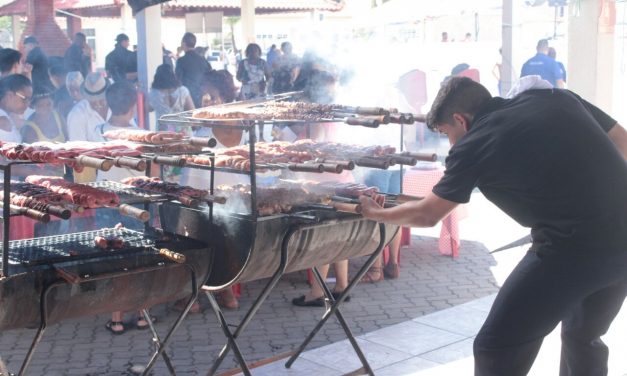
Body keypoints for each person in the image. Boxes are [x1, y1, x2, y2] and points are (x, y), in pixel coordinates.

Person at [359, 76, 627, 375]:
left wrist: (376, 214)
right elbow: (623, 140)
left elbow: (427, 215)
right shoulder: (557, 97)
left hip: (570, 246)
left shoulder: (475, 142)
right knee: (582, 335)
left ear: (460, 119)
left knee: (495, 347)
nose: (450, 142)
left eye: (447, 133)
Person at [181, 69, 242, 311]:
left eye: (210, 94)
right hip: (234, 202)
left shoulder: (206, 134)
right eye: (204, 94)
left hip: (213, 197)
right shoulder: (241, 120)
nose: (205, 98)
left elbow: (190, 182)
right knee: (218, 237)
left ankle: (191, 297)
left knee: (191, 234)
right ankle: (228, 295)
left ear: (222, 96)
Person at [67, 72, 110, 182]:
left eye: (101, 99)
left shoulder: (115, 107)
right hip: (89, 174)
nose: (98, 104)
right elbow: (77, 150)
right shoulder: (77, 115)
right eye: (93, 101)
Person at [236, 43, 270, 141]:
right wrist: (243, 80)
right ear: (247, 52)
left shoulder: (263, 63)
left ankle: (261, 136)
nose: (253, 53)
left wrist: (265, 83)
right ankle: (252, 135)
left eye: (255, 51)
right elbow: (238, 76)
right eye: (251, 51)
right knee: (250, 114)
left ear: (259, 52)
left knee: (260, 114)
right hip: (247, 92)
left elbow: (269, 76)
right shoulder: (243, 62)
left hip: (260, 91)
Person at [147, 63, 194, 130]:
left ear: (157, 77)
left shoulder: (154, 93)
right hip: (182, 131)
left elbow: (148, 108)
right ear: (173, 76)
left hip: (163, 132)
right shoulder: (182, 91)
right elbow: (192, 111)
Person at [175, 32, 212, 108]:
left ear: (184, 43)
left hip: (187, 97)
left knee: (189, 118)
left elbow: (178, 81)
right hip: (203, 96)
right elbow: (210, 76)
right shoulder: (203, 60)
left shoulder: (181, 61)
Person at [0, 74, 32, 143]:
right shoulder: (3, 122)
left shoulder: (7, 117)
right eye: (25, 99)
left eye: (30, 99)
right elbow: (8, 153)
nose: (28, 104)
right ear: (9, 95)